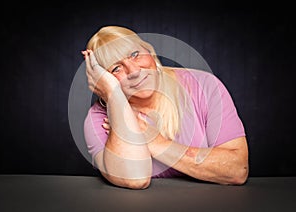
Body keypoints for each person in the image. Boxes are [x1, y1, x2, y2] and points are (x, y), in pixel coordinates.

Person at [81, 25, 249, 189]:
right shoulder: (97, 120)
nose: (134, 71)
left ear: (150, 53)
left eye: (135, 54)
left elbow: (236, 170)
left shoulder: (203, 86)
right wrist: (114, 97)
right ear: (103, 82)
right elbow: (135, 180)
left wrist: (154, 142)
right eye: (116, 68)